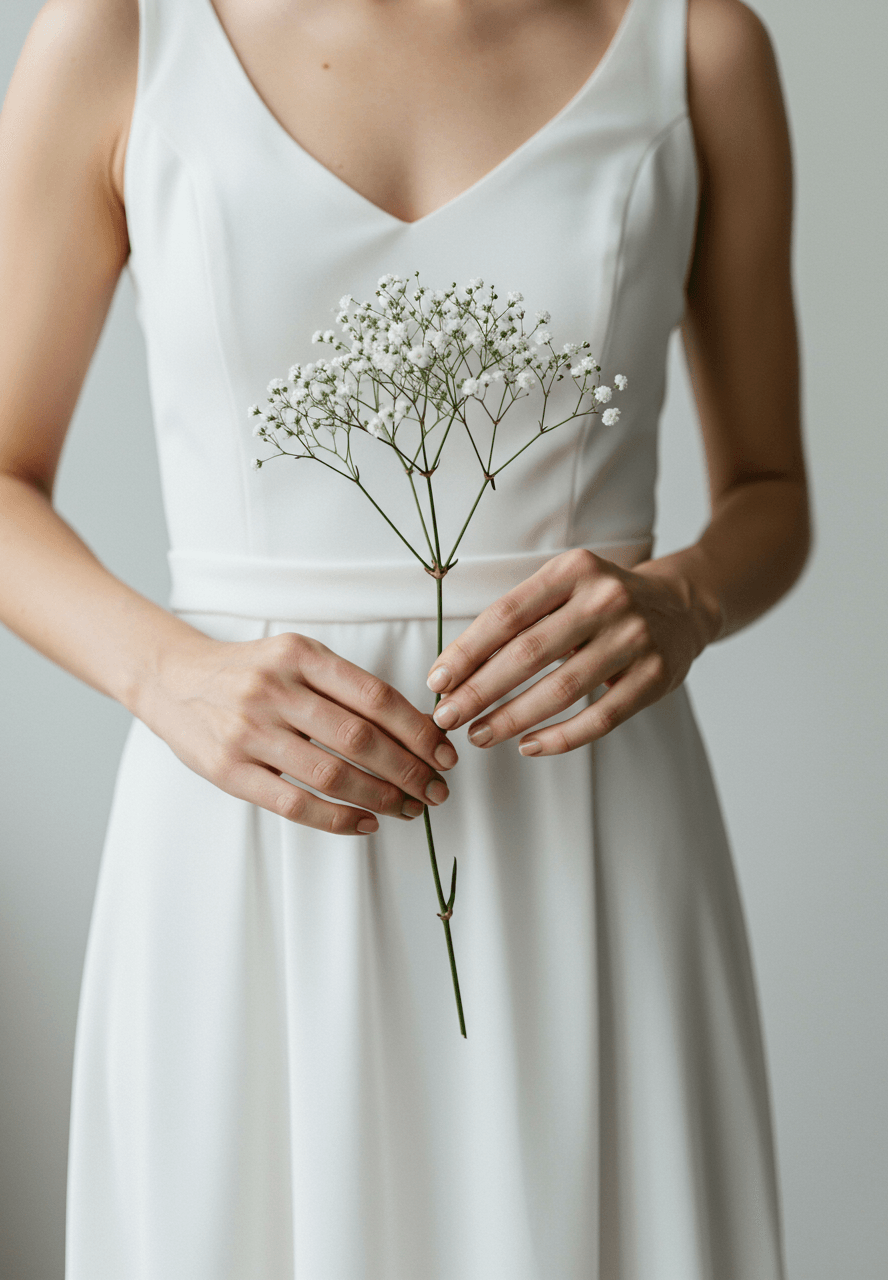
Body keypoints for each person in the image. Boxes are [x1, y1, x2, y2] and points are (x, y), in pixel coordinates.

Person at [0, 0, 809, 1274]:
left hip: (588, 824)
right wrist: (169, 674)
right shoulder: (119, 36)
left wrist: (686, 597)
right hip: (242, 834)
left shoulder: (696, 44)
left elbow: (771, 490)